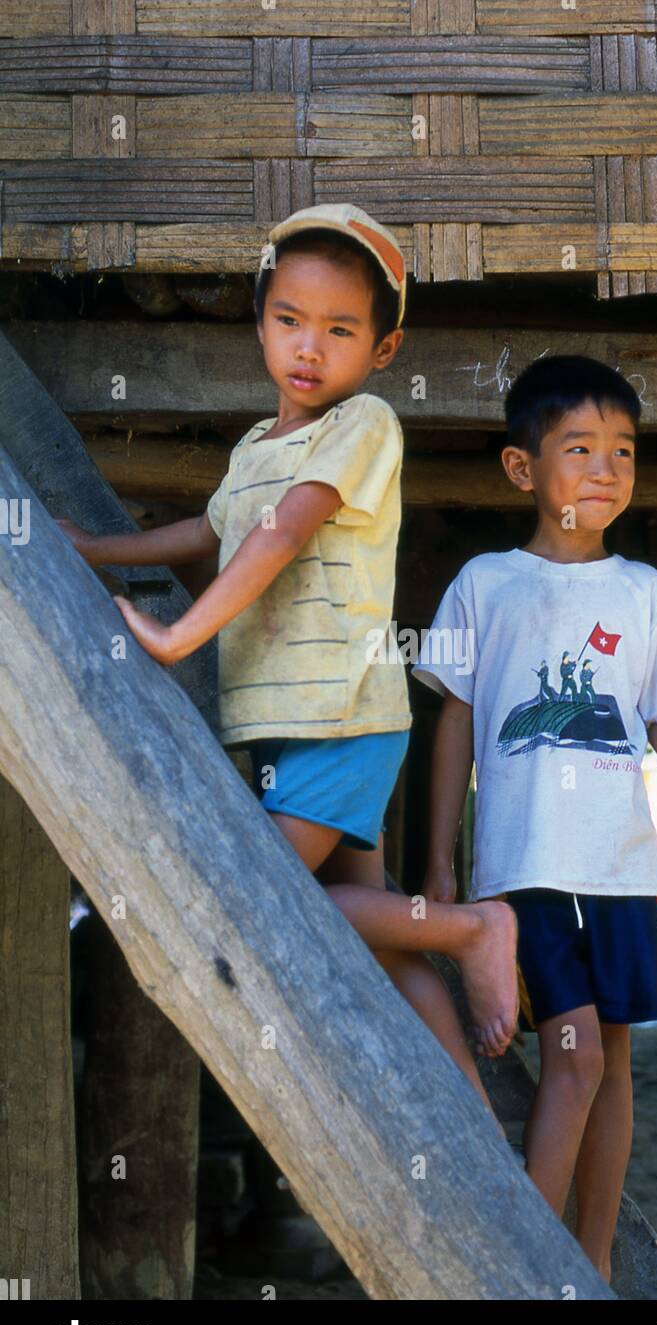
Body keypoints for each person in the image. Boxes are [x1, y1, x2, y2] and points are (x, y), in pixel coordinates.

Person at [57, 203, 518, 1120]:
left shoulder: (365, 423)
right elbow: (210, 532)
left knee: (262, 893)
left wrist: (178, 636)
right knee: (379, 935)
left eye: (340, 330)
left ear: (382, 351)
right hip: (285, 723)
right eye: (289, 320)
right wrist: (91, 548)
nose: (310, 348)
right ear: (261, 321)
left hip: (341, 714)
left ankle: (475, 928)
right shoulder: (252, 449)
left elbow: (277, 534)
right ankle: (471, 1121)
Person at [413, 354, 657, 1282]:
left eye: (623, 451)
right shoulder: (484, 583)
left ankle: (590, 1264)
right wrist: (438, 861)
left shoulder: (645, 591)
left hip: (623, 869)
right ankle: (524, 1262)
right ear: (523, 470)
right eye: (578, 448)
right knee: (575, 1057)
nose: (604, 470)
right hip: (526, 870)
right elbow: (454, 719)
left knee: (612, 1060)